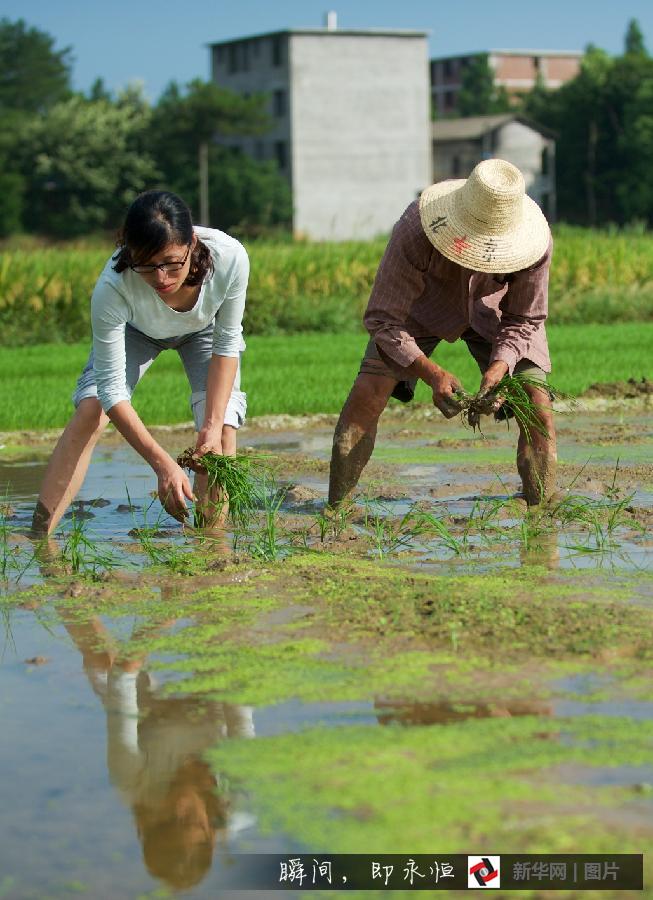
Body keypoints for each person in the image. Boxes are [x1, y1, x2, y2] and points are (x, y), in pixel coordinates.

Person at [329, 158, 557, 509]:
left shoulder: (534, 243)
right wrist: (431, 373)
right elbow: (382, 318)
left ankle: (539, 509)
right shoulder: (416, 227)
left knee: (536, 405)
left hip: (495, 316)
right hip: (422, 311)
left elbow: (524, 318)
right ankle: (337, 507)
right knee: (367, 392)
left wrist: (500, 367)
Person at [32, 190, 249, 534]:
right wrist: (162, 464)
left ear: (192, 243)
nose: (161, 278)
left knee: (220, 432)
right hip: (137, 330)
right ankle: (39, 536)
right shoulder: (113, 286)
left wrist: (209, 426)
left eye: (172, 262)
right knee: (91, 409)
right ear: (129, 254)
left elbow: (226, 343)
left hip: (204, 330)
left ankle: (212, 547)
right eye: (147, 266)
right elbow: (111, 390)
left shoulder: (230, 257)